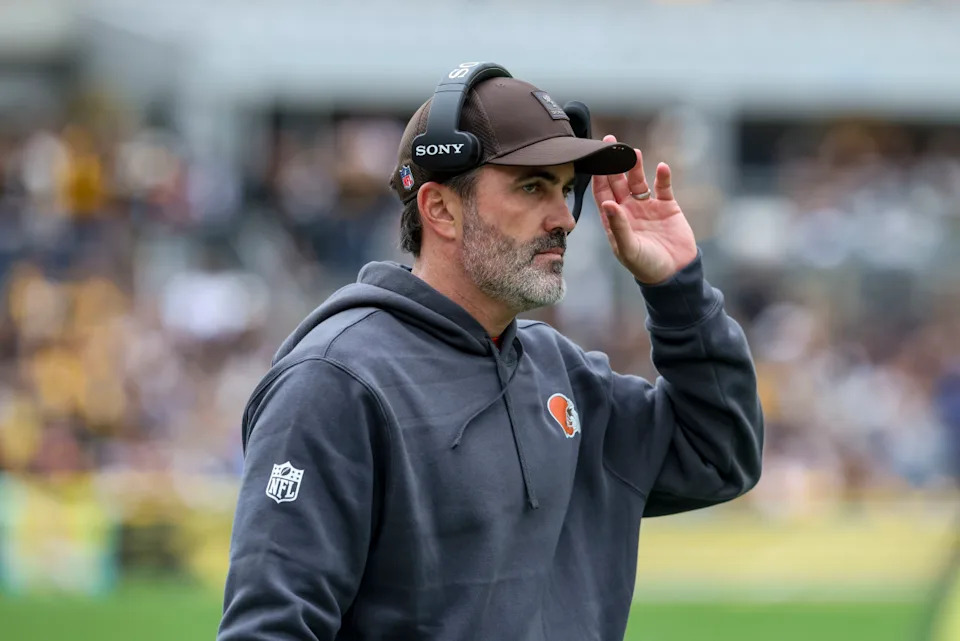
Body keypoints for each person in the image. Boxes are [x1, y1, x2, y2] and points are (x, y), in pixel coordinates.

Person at [217, 68, 764, 641]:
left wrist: (678, 287)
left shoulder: (563, 373)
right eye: (532, 187)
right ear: (441, 210)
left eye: (564, 187)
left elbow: (718, 455)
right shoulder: (334, 381)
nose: (566, 218)